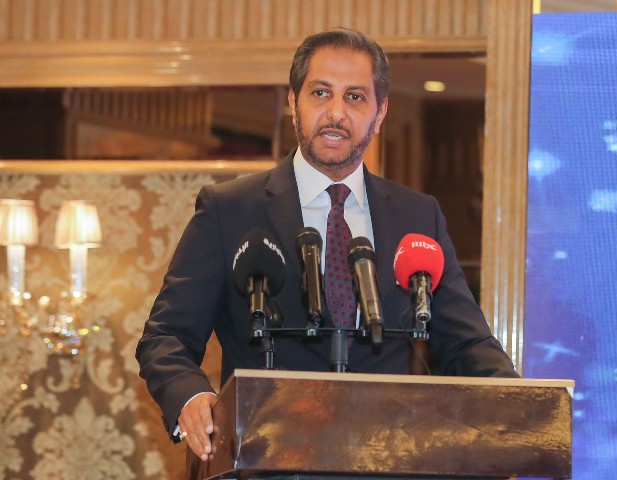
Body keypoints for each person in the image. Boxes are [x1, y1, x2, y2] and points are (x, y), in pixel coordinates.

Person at [136, 27, 518, 464]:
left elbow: (466, 343)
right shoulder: (230, 210)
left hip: (384, 462)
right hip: (265, 462)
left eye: (355, 97)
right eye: (320, 93)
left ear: (380, 112)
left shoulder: (418, 216)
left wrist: (519, 404)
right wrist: (191, 397)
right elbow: (166, 337)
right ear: (293, 102)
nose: (336, 112)